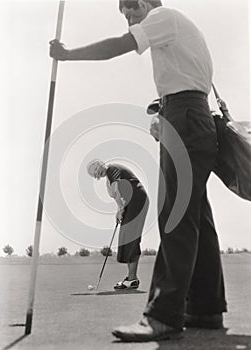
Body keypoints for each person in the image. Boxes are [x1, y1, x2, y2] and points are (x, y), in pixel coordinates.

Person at [50, 0, 227, 342]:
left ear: (148, 3)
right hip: (193, 117)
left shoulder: (163, 17)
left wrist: (68, 55)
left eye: (132, 8)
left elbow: (119, 45)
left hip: (187, 118)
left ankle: (163, 316)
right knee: (196, 218)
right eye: (124, 13)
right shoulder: (178, 25)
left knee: (175, 215)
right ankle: (206, 310)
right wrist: (166, 111)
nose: (129, 17)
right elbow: (185, 82)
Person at [87, 159, 149, 290]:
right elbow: (116, 196)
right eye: (94, 175)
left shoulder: (111, 169)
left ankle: (132, 280)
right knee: (126, 238)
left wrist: (121, 209)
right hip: (130, 203)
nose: (96, 175)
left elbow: (116, 188)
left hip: (137, 200)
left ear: (100, 165)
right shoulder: (107, 181)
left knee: (131, 237)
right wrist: (119, 211)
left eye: (95, 171)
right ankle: (131, 278)